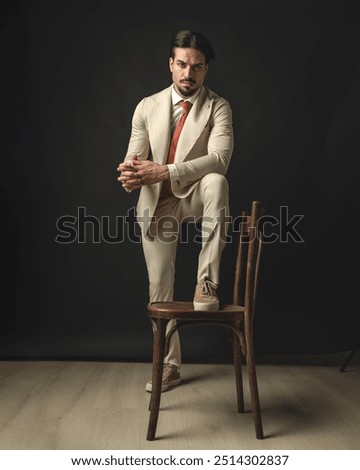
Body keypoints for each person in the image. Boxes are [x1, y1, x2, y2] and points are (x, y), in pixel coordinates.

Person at [117, 30, 234, 393]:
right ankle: (169, 367)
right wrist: (129, 174)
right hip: (158, 202)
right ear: (171, 64)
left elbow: (220, 159)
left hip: (195, 193)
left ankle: (206, 282)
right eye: (182, 64)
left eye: (197, 67)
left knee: (216, 181)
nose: (188, 73)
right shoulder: (146, 106)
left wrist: (165, 170)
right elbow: (133, 158)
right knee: (159, 288)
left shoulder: (218, 107)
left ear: (206, 70)